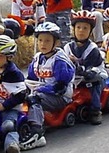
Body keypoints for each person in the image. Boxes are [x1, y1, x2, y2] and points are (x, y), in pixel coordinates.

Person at [23, 22, 74, 150]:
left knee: (35, 99)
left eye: (47, 41)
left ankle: (37, 133)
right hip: (43, 92)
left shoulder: (60, 61)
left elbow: (60, 88)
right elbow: (31, 78)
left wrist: (40, 89)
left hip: (60, 97)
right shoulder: (38, 58)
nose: (43, 44)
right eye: (40, 40)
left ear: (56, 43)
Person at [63, 10, 107, 125]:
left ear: (90, 31)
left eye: (85, 28)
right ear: (74, 29)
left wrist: (76, 62)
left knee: (92, 80)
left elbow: (88, 66)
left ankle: (96, 110)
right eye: (78, 27)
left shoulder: (92, 49)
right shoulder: (67, 47)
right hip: (75, 78)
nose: (81, 31)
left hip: (93, 74)